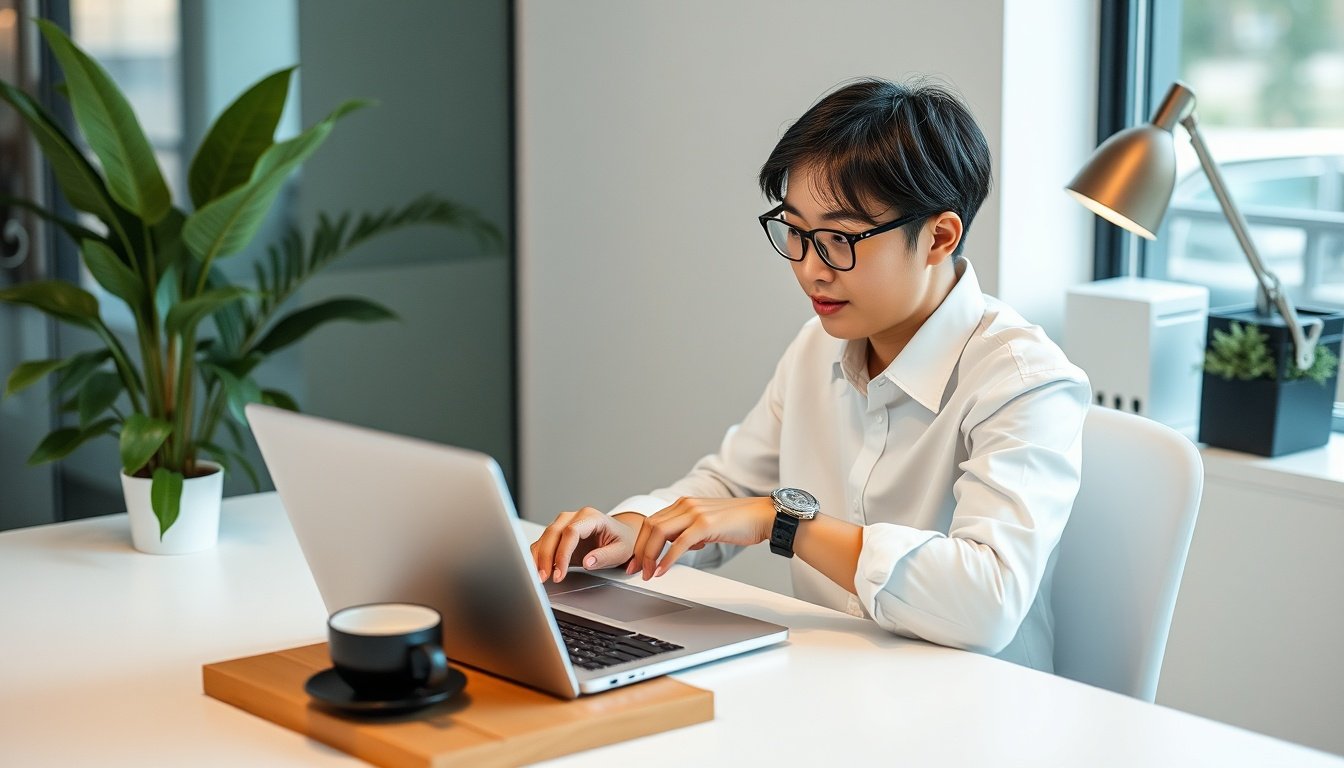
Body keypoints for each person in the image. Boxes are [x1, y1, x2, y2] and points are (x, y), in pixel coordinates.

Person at [530, 77, 1090, 672]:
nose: (809, 269)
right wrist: (629, 529)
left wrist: (786, 524)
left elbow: (987, 601)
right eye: (795, 233)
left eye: (838, 240)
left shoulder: (1022, 379)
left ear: (938, 236)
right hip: (830, 681)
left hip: (974, 706)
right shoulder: (816, 349)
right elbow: (727, 491)